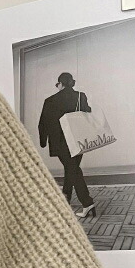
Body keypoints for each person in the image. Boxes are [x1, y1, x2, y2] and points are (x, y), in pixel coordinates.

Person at [38, 72, 96, 218]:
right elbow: (87, 111)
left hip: (60, 142)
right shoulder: (80, 96)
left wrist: (43, 141)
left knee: (73, 169)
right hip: (78, 140)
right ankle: (66, 198)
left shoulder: (50, 101)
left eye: (57, 84)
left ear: (60, 84)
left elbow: (43, 123)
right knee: (71, 168)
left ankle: (87, 203)